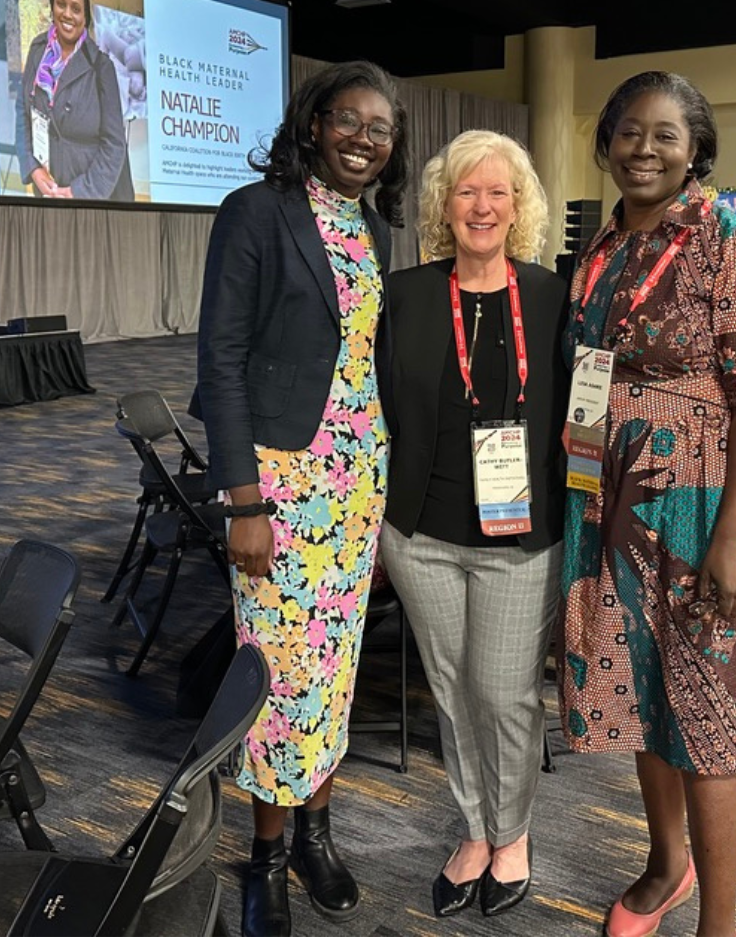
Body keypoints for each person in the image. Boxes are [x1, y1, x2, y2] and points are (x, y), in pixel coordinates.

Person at [558, 70, 736, 938]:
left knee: (710, 716)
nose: (644, 148)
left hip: (701, 504)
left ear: (696, 149)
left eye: (665, 135)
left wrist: (733, 536)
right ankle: (666, 866)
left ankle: (722, 924)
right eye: (629, 132)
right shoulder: (600, 250)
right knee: (642, 697)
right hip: (612, 501)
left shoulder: (730, 244)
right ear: (607, 143)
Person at [189, 60, 409, 937]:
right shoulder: (256, 212)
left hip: (358, 487)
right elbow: (222, 359)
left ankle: (318, 832)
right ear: (312, 124)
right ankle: (267, 855)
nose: (362, 139)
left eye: (380, 129)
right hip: (281, 488)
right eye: (347, 121)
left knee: (335, 669)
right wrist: (244, 500)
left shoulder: (370, 226)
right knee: (280, 676)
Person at [379, 130, 569, 919]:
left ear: (518, 207)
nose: (482, 205)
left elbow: (583, 412)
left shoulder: (556, 297)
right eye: (466, 191)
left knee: (506, 695)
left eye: (498, 192)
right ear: (443, 206)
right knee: (453, 693)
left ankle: (514, 829)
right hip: (422, 533)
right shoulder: (407, 295)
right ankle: (476, 831)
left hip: (521, 537)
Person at [15, 0, 134, 200]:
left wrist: (79, 192)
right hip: (48, 193)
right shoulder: (37, 51)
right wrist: (33, 168)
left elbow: (114, 144)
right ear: (52, 7)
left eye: (76, 9)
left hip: (90, 201)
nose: (68, 14)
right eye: (61, 4)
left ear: (85, 17)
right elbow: (22, 112)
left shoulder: (101, 66)